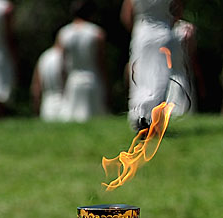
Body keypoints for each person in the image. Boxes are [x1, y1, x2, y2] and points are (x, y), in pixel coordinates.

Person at [120, 0, 191, 131]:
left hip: (142, 32)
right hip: (163, 32)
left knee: (140, 75)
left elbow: (126, 15)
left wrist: (136, 29)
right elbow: (178, 10)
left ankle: (139, 114)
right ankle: (153, 117)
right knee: (160, 75)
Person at [55, 0, 109, 123]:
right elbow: (101, 62)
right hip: (93, 79)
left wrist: (62, 83)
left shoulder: (64, 33)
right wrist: (106, 84)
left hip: (73, 80)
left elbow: (62, 64)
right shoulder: (97, 33)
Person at [31, 38, 65, 121]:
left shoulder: (44, 57)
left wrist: (36, 107)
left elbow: (36, 86)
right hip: (65, 103)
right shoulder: (65, 56)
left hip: (47, 105)